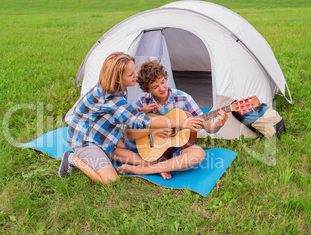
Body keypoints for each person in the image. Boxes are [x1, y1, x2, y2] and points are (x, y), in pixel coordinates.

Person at [58, 52, 204, 184]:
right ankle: (73, 159)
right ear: (117, 79)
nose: (135, 75)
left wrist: (139, 110)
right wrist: (182, 122)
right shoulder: (110, 97)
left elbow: (118, 112)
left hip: (106, 135)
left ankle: (147, 166)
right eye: (130, 74)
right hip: (85, 138)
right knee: (110, 181)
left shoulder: (120, 88)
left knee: (124, 149)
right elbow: (140, 121)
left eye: (133, 70)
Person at [114, 60, 228, 179]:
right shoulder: (143, 101)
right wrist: (152, 127)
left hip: (175, 151)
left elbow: (207, 126)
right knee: (111, 147)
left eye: (163, 82)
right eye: (155, 87)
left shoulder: (183, 98)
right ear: (147, 90)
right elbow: (128, 133)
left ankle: (145, 169)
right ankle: (156, 166)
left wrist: (218, 124)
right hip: (148, 149)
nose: (162, 88)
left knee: (198, 154)